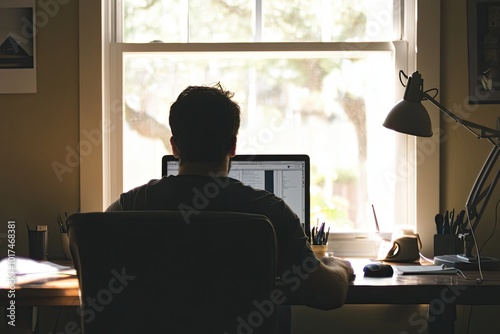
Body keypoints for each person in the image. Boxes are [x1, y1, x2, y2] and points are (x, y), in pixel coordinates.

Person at [106, 83, 355, 310]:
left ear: (174, 146)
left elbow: (92, 251)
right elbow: (329, 294)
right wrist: (340, 266)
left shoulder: (131, 206)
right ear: (233, 146)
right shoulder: (270, 212)